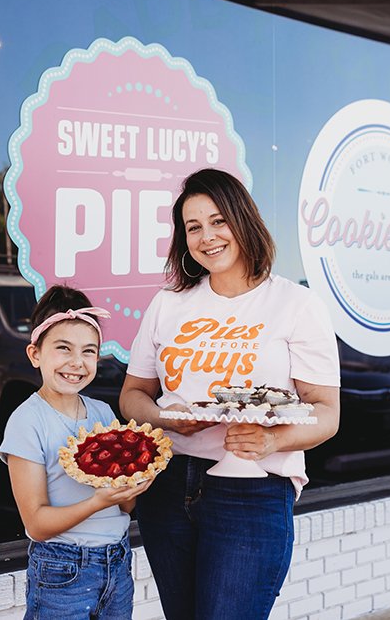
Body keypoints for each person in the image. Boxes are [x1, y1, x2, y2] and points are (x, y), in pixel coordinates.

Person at [119, 168, 341, 620]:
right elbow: (133, 396)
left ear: (243, 220)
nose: (207, 237)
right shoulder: (169, 303)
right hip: (167, 483)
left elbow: (327, 412)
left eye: (218, 221)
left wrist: (272, 440)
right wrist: (167, 418)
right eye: (193, 226)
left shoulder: (295, 304)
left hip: (253, 491)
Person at [0, 285, 152, 620]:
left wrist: (134, 486)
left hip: (117, 562)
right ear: (35, 354)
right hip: (61, 569)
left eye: (88, 351)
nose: (76, 363)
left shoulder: (103, 414)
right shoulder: (28, 421)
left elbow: (126, 504)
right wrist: (98, 501)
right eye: (63, 348)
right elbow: (37, 524)